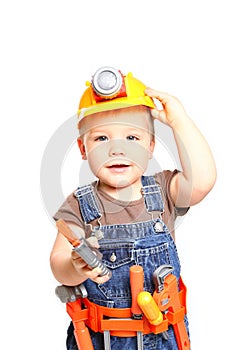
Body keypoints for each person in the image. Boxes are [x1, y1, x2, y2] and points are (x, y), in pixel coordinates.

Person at [50, 67, 217, 350]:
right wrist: (75, 267)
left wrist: (179, 120)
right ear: (82, 148)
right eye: (101, 139)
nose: (117, 149)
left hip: (162, 336)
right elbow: (59, 263)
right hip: (99, 339)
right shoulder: (79, 203)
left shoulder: (164, 190)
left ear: (151, 146)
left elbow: (203, 180)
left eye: (132, 138)